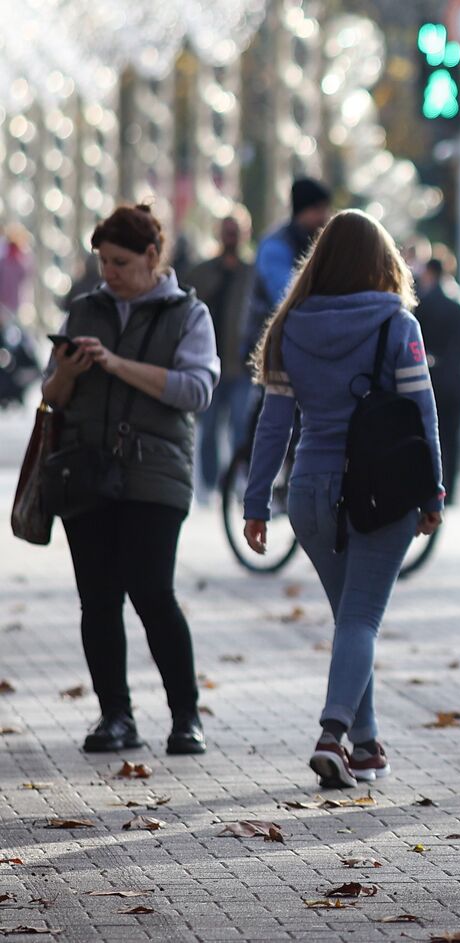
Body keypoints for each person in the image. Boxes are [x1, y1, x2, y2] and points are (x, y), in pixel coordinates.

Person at [241, 210, 444, 789]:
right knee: (361, 617)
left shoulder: (288, 325)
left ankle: (366, 744)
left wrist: (257, 503)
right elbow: (422, 414)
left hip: (310, 491)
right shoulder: (397, 323)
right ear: (383, 263)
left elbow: (273, 424)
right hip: (384, 489)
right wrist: (433, 491)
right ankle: (332, 734)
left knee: (353, 616)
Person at [39, 205, 218, 755]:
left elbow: (197, 390)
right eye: (102, 262)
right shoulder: (84, 309)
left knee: (152, 591)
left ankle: (185, 716)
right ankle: (115, 716)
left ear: (150, 257)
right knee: (97, 599)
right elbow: (51, 398)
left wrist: (115, 364)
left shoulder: (188, 314)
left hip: (155, 469)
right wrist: (67, 372)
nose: (109, 273)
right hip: (85, 468)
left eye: (119, 262)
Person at [185, 211, 255, 498]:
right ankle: (211, 485)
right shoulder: (203, 271)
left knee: (241, 426)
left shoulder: (252, 272)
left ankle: (238, 482)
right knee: (209, 428)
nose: (231, 237)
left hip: (242, 365)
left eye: (235, 231)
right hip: (209, 363)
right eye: (227, 231)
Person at [242, 178, 333, 396]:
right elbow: (286, 297)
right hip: (272, 351)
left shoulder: (313, 242)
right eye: (319, 209)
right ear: (304, 210)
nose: (325, 217)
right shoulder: (276, 246)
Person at [416, 251, 460, 503]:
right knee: (452, 438)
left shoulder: (423, 305)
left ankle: (432, 487)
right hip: (458, 381)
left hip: (430, 380)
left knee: (430, 436)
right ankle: (450, 491)